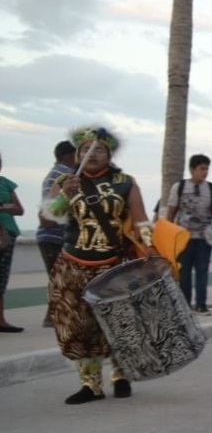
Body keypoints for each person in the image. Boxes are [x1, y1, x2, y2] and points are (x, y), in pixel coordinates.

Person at [41, 126, 154, 402]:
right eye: (85, 150)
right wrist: (63, 195)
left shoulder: (125, 182)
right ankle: (90, 384)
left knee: (118, 323)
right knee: (77, 325)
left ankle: (120, 375)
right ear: (77, 155)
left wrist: (151, 250)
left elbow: (140, 221)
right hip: (72, 264)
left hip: (113, 265)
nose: (92, 154)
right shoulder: (67, 181)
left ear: (109, 154)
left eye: (99, 149)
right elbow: (47, 219)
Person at [164, 153, 212, 314]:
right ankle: (186, 304)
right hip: (183, 238)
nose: (205, 172)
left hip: (205, 238)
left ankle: (201, 305)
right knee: (184, 272)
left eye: (207, 169)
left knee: (202, 270)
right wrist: (168, 235)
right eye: (201, 168)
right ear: (192, 169)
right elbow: (171, 212)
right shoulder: (179, 187)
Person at [35, 140, 78, 327]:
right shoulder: (66, 175)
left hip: (46, 234)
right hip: (55, 233)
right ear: (68, 156)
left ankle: (53, 315)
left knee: (57, 276)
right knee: (60, 277)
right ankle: (53, 316)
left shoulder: (51, 174)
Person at [0, 151, 25, 332]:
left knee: (1, 278)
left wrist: (3, 207)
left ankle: (1, 320)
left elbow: (19, 209)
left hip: (7, 236)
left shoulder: (6, 183)